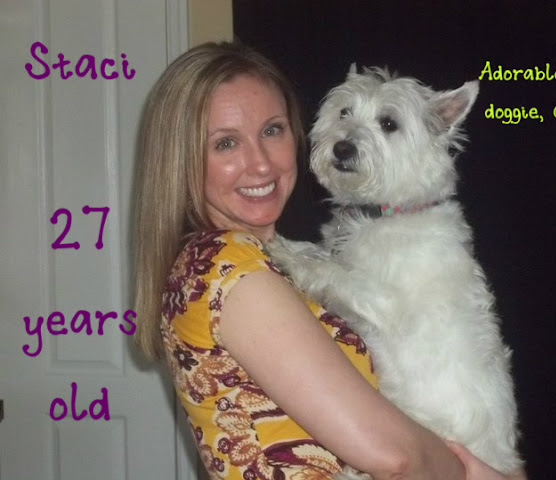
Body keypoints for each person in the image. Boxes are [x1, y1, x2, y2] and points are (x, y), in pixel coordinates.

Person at [133, 41, 526, 480]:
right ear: (181, 157)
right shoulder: (233, 272)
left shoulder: (242, 261)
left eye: (272, 130)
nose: (260, 164)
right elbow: (394, 455)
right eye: (226, 143)